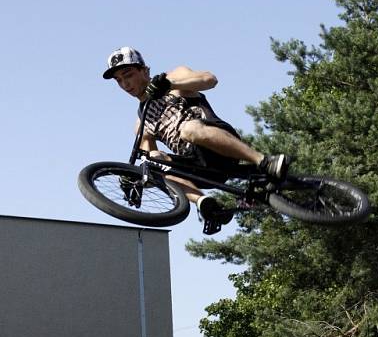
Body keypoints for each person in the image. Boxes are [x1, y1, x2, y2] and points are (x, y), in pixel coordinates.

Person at [102, 47, 290, 232]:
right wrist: (138, 181)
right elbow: (151, 164)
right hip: (199, 169)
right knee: (154, 161)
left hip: (219, 145)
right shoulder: (141, 122)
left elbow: (209, 79)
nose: (125, 84)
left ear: (144, 70)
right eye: (119, 80)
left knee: (188, 129)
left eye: (128, 75)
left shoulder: (171, 78)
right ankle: (204, 203)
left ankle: (264, 161)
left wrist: (171, 85)